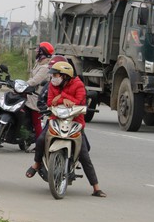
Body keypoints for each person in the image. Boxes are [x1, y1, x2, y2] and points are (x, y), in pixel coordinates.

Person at [25, 61, 106, 197]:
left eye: (56, 75)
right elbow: (50, 102)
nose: (53, 78)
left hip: (75, 122)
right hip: (55, 119)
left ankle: (96, 187)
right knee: (40, 140)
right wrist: (65, 100)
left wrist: (62, 97)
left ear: (65, 76)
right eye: (53, 75)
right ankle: (36, 164)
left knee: (84, 155)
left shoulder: (78, 84)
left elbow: (80, 102)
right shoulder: (52, 85)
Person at [25, 42, 54, 138]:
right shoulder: (39, 62)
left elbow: (35, 81)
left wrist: (24, 84)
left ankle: (39, 143)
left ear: (43, 52)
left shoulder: (45, 67)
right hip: (30, 93)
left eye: (39, 50)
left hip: (37, 96)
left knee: (36, 121)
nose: (36, 51)